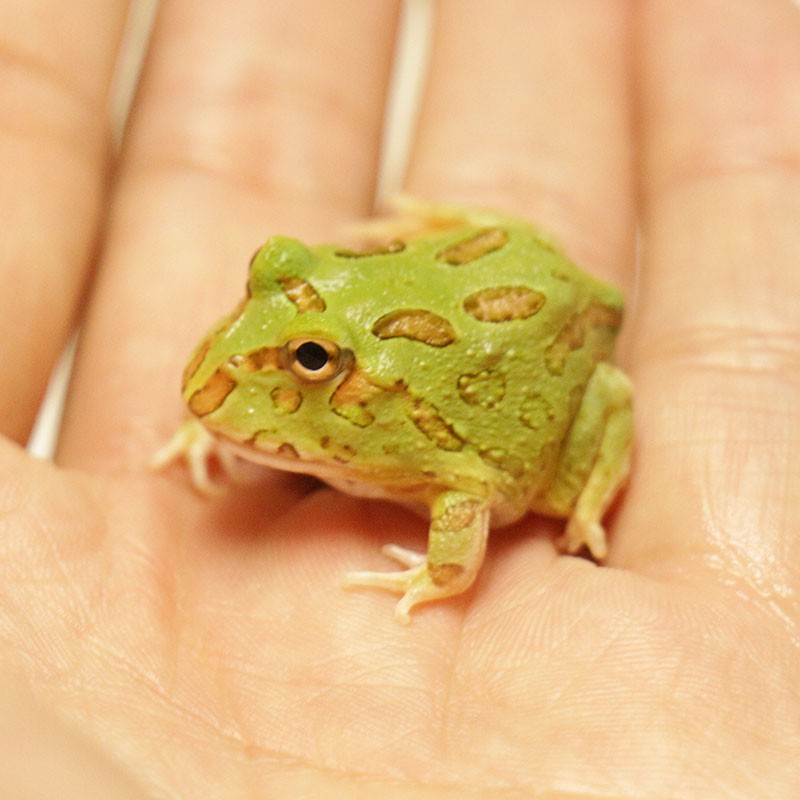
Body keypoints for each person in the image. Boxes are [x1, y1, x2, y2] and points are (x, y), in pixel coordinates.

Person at [1, 1, 798, 796]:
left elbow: (469, 491)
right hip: (497, 261)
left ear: (349, 379)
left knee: (575, 456)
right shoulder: (303, 368)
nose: (239, 354)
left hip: (552, 345)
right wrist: (211, 425)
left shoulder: (403, 421)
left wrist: (441, 577)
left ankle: (580, 491)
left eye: (307, 361)